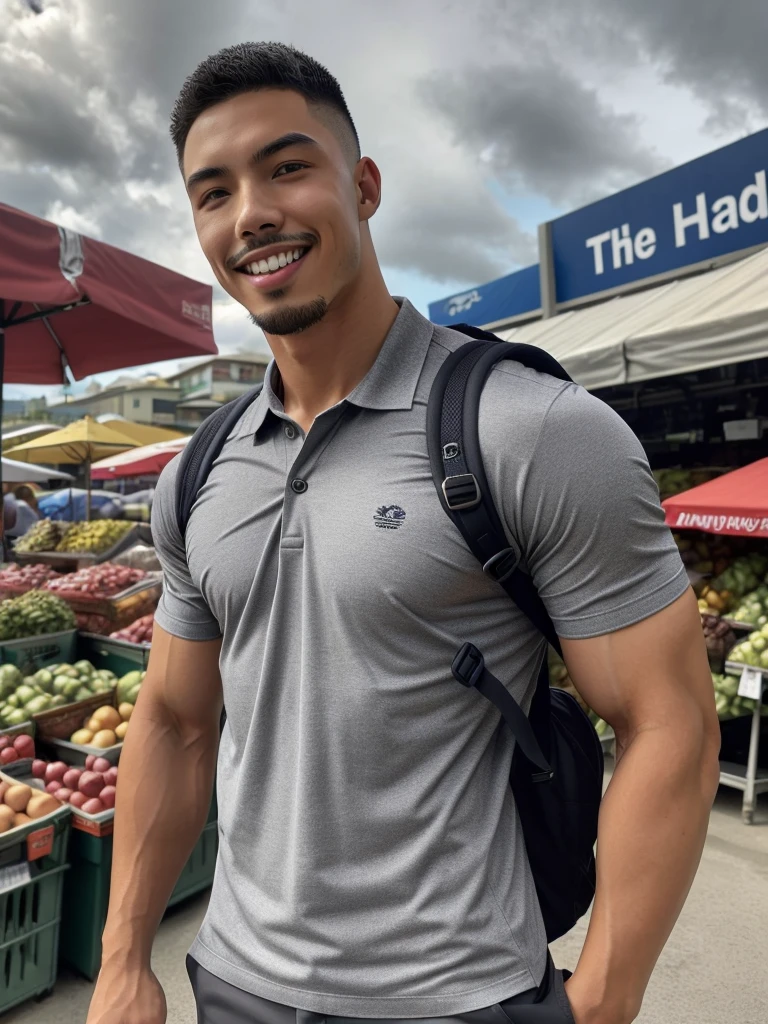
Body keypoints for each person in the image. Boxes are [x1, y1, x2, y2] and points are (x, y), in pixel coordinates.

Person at [87, 43, 720, 1024]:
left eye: (287, 167)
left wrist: (602, 997)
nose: (251, 211)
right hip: (237, 982)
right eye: (213, 192)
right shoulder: (199, 472)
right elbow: (173, 719)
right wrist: (124, 955)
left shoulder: (533, 430)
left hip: (461, 994)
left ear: (365, 185)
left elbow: (668, 719)